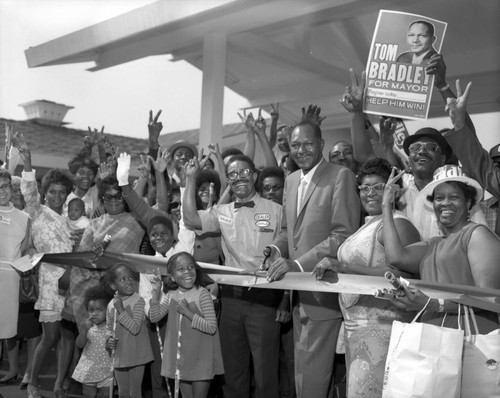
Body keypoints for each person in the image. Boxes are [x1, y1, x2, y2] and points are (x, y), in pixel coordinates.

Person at [266, 121, 361, 398]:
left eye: (308, 143)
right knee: (304, 372)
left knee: (313, 376)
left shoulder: (341, 175)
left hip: (324, 292)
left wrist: (297, 265)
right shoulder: (292, 179)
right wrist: (274, 249)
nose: (301, 150)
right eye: (295, 145)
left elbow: (343, 234)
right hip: (298, 292)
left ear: (321, 144)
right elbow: (287, 231)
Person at [312, 158, 420, 398]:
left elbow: (405, 276)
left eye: (378, 187)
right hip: (357, 332)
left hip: (383, 331)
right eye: (365, 187)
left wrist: (345, 266)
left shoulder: (399, 225)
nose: (370, 193)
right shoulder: (367, 226)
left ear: (394, 191)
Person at [183, 154, 286, 398]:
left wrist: (286, 297)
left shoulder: (278, 210)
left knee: (265, 370)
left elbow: (289, 250)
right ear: (228, 180)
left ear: (254, 175)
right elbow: (190, 219)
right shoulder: (221, 212)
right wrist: (190, 178)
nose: (238, 178)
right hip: (230, 299)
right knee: (232, 369)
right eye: (232, 174)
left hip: (265, 297)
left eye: (244, 172)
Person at [382, 165, 500, 332]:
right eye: (439, 198)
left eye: (454, 197)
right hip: (435, 340)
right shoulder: (434, 244)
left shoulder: (477, 235)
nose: (445, 203)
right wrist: (386, 206)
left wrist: (432, 304)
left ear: (468, 202)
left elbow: (491, 298)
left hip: (473, 339)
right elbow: (395, 257)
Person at [12, 134, 76, 398]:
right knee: (49, 337)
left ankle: (60, 384)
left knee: (67, 337)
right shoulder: (37, 211)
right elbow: (29, 191)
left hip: (72, 280)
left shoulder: (71, 219)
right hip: (50, 280)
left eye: (62, 192)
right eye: (53, 191)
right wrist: (27, 161)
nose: (58, 196)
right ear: (45, 192)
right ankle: (34, 383)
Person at [149, 252, 224, 398]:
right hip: (181, 358)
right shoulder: (171, 295)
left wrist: (187, 312)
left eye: (191, 267)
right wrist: (155, 293)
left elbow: (211, 327)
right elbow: (154, 317)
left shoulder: (203, 294)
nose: (188, 272)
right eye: (181, 269)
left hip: (201, 357)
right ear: (171, 276)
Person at [0, 169, 32, 386]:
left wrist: (29, 259)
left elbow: (27, 249)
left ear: (11, 187)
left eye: (4, 186)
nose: (1, 191)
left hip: (12, 278)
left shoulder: (24, 218)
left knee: (9, 329)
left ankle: (13, 369)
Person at [104, 263, 154, 398]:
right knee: (122, 392)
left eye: (130, 278)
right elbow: (109, 328)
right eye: (123, 279)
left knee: (135, 392)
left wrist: (121, 309)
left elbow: (135, 328)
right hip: (120, 354)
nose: (129, 281)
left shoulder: (138, 301)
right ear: (113, 286)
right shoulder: (111, 304)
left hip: (137, 353)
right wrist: (108, 340)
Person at [72, 286, 113, 398]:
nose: (95, 314)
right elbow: (79, 344)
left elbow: (115, 346)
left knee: (106, 394)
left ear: (108, 310)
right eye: (91, 310)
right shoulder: (88, 327)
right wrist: (84, 330)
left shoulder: (111, 328)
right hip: (89, 368)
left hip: (106, 369)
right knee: (89, 394)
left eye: (99, 310)